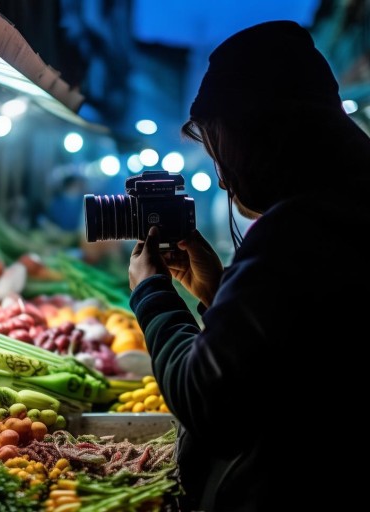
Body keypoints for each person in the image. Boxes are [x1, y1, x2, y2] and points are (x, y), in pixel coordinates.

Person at [128, 20, 370, 511]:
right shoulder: (347, 203)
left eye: (221, 152)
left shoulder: (297, 232)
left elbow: (208, 402)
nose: (222, 179)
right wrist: (220, 292)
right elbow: (299, 347)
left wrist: (152, 294)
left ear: (255, 141)